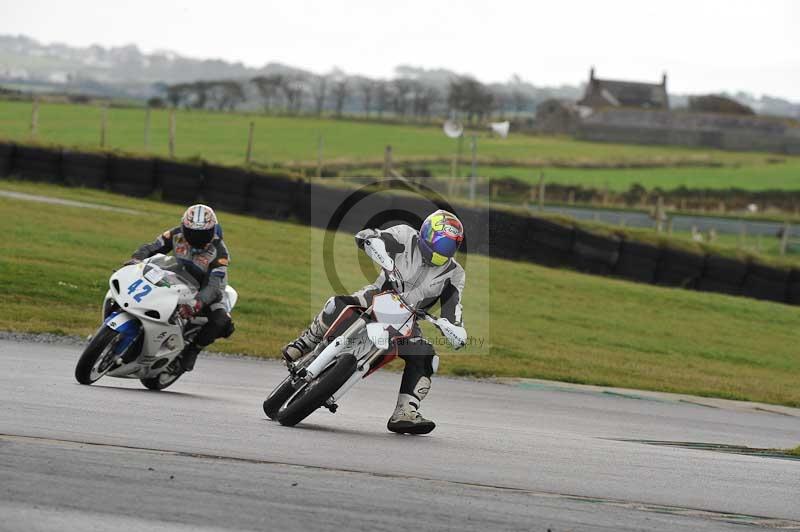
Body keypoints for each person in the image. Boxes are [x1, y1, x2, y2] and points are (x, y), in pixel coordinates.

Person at [283, 209, 467, 435]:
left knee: (427, 356)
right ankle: (306, 342)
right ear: (427, 233)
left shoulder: (454, 273)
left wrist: (453, 328)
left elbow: (453, 309)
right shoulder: (405, 236)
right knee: (337, 303)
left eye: (449, 246)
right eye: (440, 243)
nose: (442, 250)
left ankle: (405, 412)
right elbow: (369, 236)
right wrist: (383, 257)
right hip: (377, 296)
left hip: (407, 320)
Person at [127, 204, 234, 373]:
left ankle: (193, 350)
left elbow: (214, 286)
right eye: (192, 232)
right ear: (184, 226)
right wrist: (136, 259)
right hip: (175, 276)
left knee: (222, 321)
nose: (196, 238)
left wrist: (198, 303)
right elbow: (152, 247)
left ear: (211, 230)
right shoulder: (176, 234)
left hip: (204, 290)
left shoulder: (220, 252)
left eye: (202, 233)